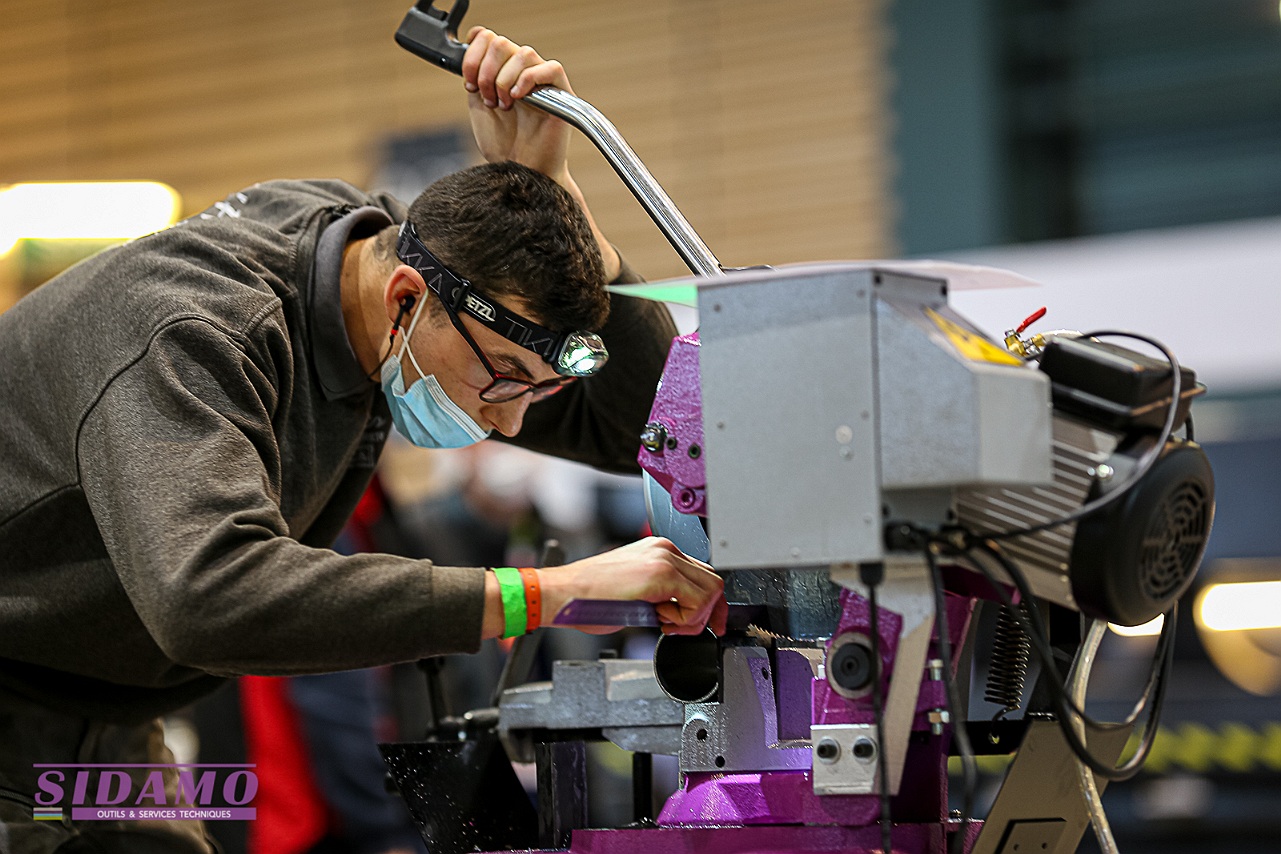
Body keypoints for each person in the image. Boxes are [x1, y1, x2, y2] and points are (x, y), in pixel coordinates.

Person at [0, 28, 726, 854]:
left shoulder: (372, 274)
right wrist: (537, 593)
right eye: (501, 380)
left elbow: (649, 428)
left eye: (538, 388)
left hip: (106, 708)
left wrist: (549, 191)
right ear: (407, 299)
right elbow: (211, 596)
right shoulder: (190, 331)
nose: (509, 421)